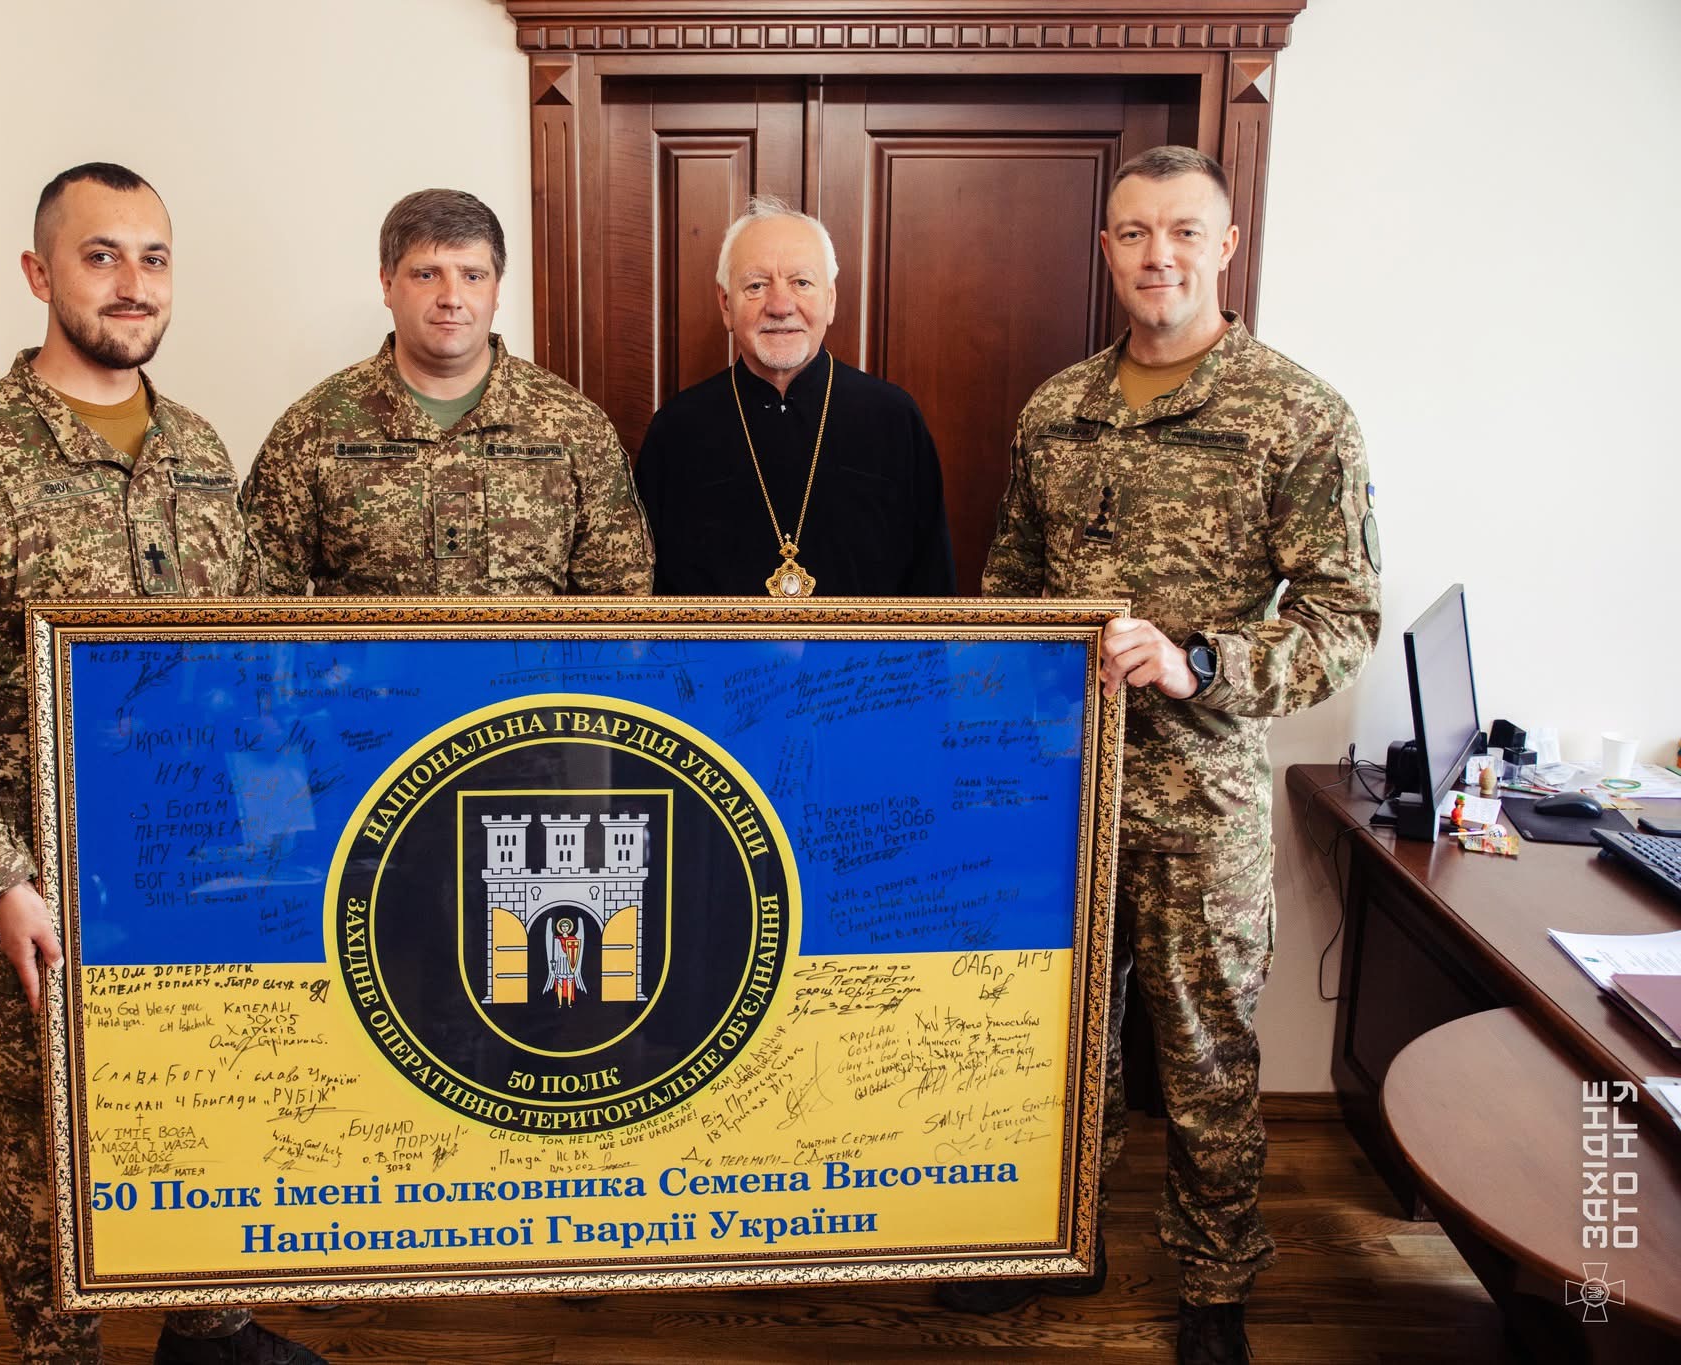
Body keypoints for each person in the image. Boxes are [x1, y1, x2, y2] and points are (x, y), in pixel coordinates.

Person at [0, 162, 322, 1365]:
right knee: (53, 1151)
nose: (132, 284)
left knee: (207, 1111)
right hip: (52, 884)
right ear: (39, 273)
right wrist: (2, 878)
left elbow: (250, 664)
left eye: (153, 258)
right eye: (101, 255)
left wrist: (276, 841)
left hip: (202, 873)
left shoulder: (199, 449)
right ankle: (58, 1356)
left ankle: (209, 1333)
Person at [965, 146, 1381, 1365]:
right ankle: (1059, 1241)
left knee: (1202, 1054)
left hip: (1200, 801)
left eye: (1183, 232)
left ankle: (1213, 1285)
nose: (1159, 256)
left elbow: (1342, 619)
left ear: (1225, 245)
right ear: (1105, 250)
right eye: (1135, 233)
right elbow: (1009, 582)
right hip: (1061, 791)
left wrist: (1199, 661)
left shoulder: (1295, 412)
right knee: (1059, 1036)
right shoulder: (1055, 408)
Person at [239, 188, 651, 597]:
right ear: (387, 284)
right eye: (427, 274)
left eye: (472, 276)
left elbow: (621, 604)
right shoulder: (313, 428)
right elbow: (257, 603)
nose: (451, 298)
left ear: (496, 290)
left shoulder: (575, 427)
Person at [632, 197, 953, 597]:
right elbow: (648, 595)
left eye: (801, 282)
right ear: (726, 304)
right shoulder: (677, 430)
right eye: (756, 285)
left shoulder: (894, 419)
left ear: (830, 300)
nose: (780, 306)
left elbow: (933, 588)